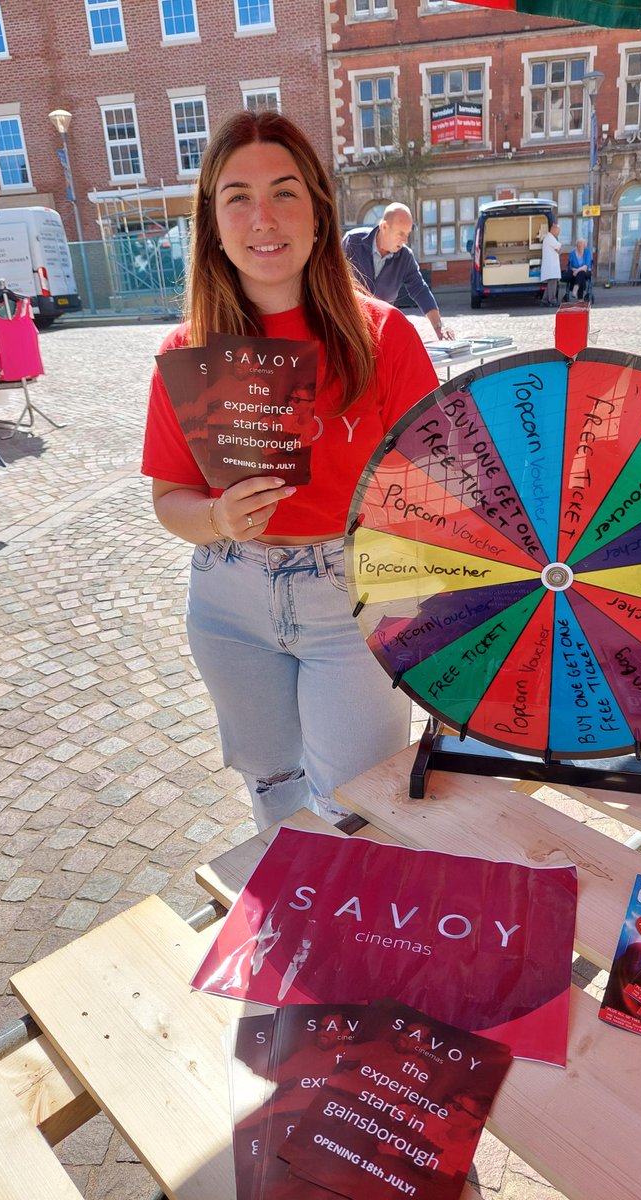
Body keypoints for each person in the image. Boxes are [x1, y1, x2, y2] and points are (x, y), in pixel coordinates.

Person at [141, 111, 439, 831]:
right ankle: (300, 928)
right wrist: (216, 518)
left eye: (284, 191)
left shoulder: (384, 337)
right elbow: (169, 498)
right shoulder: (190, 349)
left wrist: (423, 616)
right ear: (212, 223)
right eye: (237, 196)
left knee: (359, 807)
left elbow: (436, 484)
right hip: (229, 595)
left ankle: (359, 935)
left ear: (318, 212)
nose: (262, 217)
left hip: (355, 597)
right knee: (274, 791)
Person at [342, 203, 454, 341]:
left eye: (407, 234)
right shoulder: (352, 241)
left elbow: (420, 290)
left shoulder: (405, 257)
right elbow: (330, 278)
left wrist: (439, 326)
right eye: (401, 233)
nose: (405, 240)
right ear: (384, 227)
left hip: (379, 332)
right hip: (347, 327)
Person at [539, 221, 562, 306]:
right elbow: (559, 248)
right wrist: (558, 250)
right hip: (551, 266)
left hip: (552, 266)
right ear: (554, 229)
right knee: (552, 284)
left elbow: (559, 250)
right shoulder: (550, 238)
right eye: (558, 230)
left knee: (550, 285)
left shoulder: (549, 238)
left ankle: (544, 300)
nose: (559, 232)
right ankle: (553, 300)